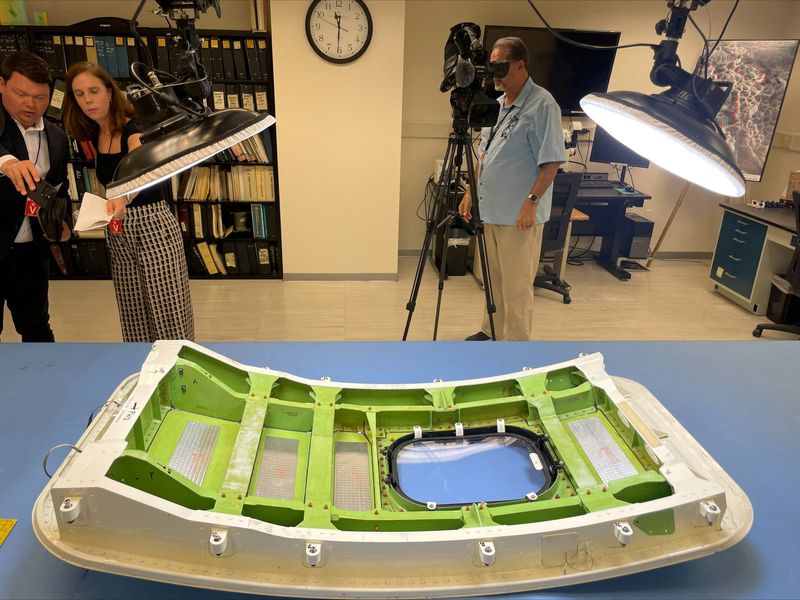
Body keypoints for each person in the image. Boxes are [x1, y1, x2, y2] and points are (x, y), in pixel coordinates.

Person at [63, 62, 194, 342]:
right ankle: (142, 376)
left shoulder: (134, 126)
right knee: (133, 315)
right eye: (79, 93)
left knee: (168, 314)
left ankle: (178, 372)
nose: (87, 99)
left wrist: (122, 195)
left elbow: (138, 164)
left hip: (152, 225)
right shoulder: (93, 134)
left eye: (94, 90)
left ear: (110, 92)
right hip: (117, 229)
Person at [459, 37, 566, 341]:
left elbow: (552, 162)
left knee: (516, 287)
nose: (497, 74)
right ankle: (489, 331)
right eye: (494, 67)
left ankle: (516, 348)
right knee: (491, 280)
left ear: (521, 65)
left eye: (502, 67)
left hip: (519, 216)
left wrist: (531, 203)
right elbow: (485, 155)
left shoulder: (542, 104)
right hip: (491, 211)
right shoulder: (497, 106)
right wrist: (470, 192)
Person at [0, 51, 70, 342]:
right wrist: (7, 162)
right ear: (1, 85)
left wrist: (62, 223)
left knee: (37, 328)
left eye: (40, 97)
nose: (31, 104)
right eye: (21, 94)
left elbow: (59, 189)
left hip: (32, 253)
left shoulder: (56, 137)